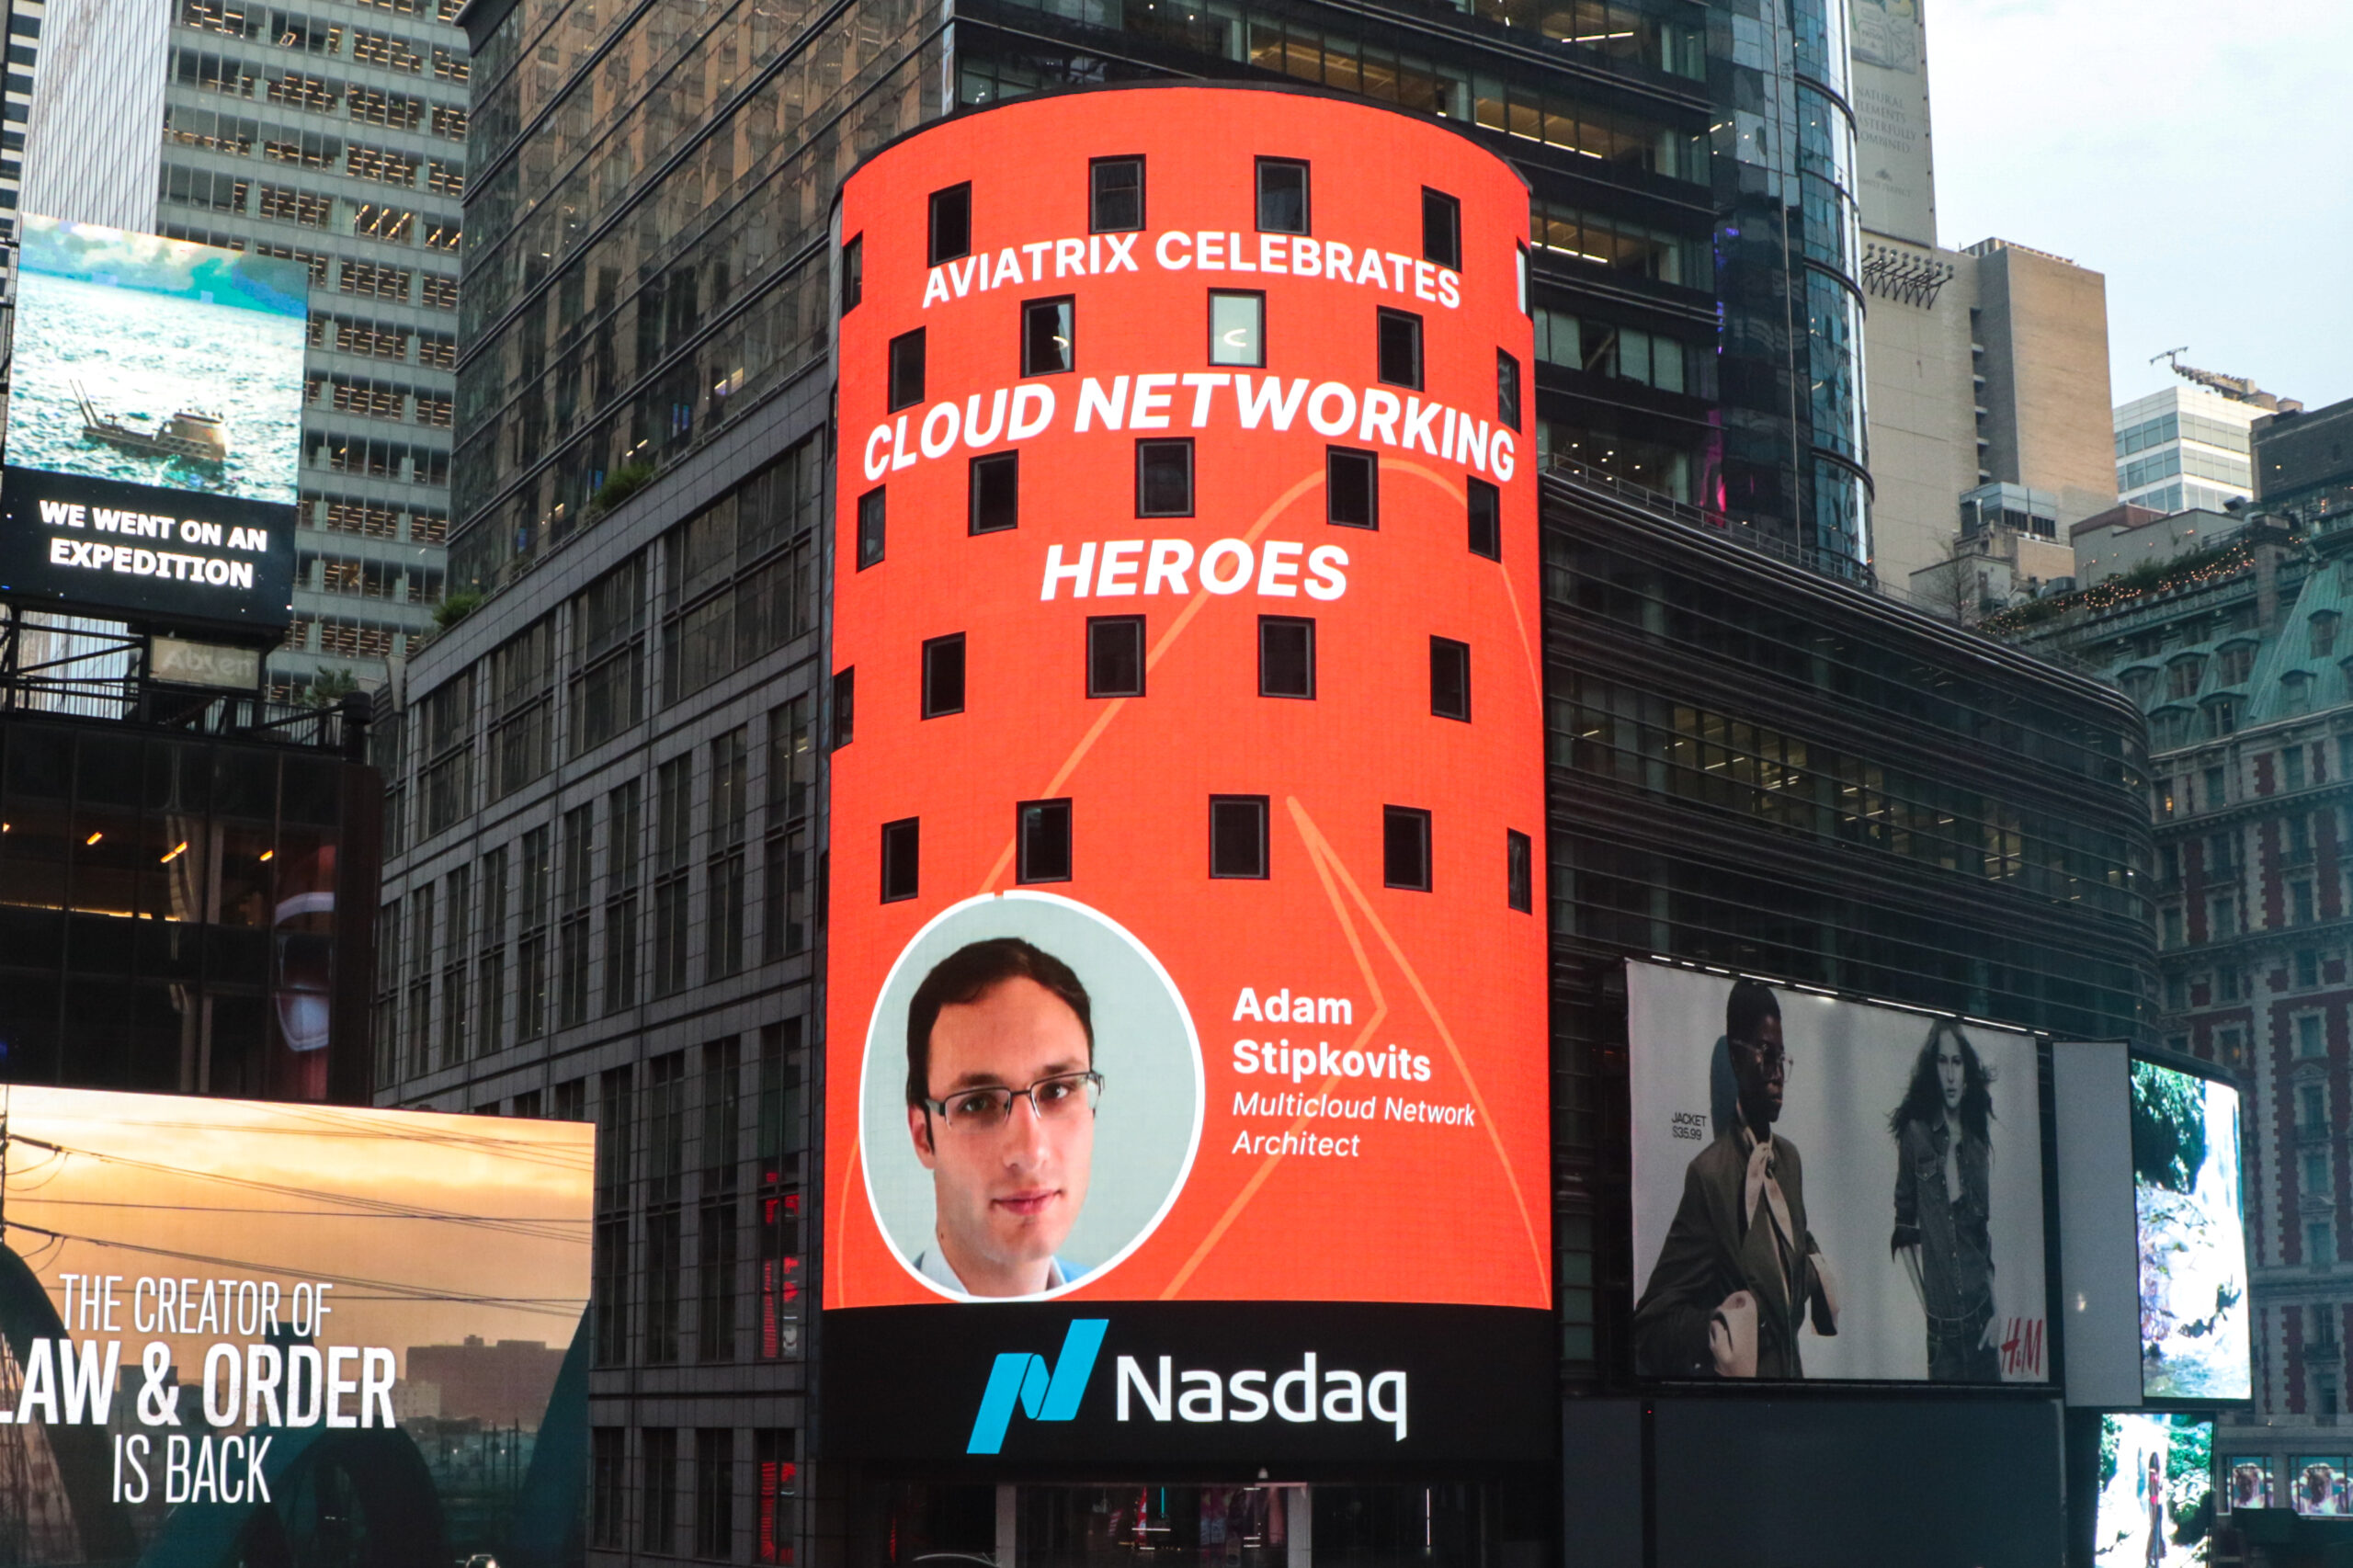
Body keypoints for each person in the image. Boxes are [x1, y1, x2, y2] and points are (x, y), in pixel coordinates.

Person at [1632, 979, 1839, 1377]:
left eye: (1782, 1058)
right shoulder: (1710, 1177)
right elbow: (1650, 1327)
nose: (1777, 1073)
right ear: (1735, 1056)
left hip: (1794, 1402)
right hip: (1740, 1416)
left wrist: (1812, 1272)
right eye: (1766, 1054)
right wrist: (1719, 1325)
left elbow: (1793, 1253)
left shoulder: (1789, 1163)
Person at [903, 937, 1101, 1298]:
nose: (1030, 1152)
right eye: (978, 1104)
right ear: (922, 1136)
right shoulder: (870, 1328)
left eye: (1057, 1091)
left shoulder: (1128, 1308)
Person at [1888, 1017, 2002, 1381]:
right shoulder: (1916, 1136)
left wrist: (1997, 1314)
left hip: (1984, 1323)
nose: (1950, 1074)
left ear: (1966, 1072)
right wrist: (1930, 1311)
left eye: (1957, 1063)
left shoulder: (1976, 1144)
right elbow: (1903, 1230)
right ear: (1932, 1069)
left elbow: (1981, 1238)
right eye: (1942, 1062)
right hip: (1943, 1339)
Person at [2145, 1449, 2165, 1568]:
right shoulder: (2153, 1478)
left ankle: (2154, 1555)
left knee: (2156, 1529)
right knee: (2155, 1529)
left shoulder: (2155, 1479)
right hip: (2154, 1505)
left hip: (2156, 1505)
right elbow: (2152, 1494)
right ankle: (2152, 1556)